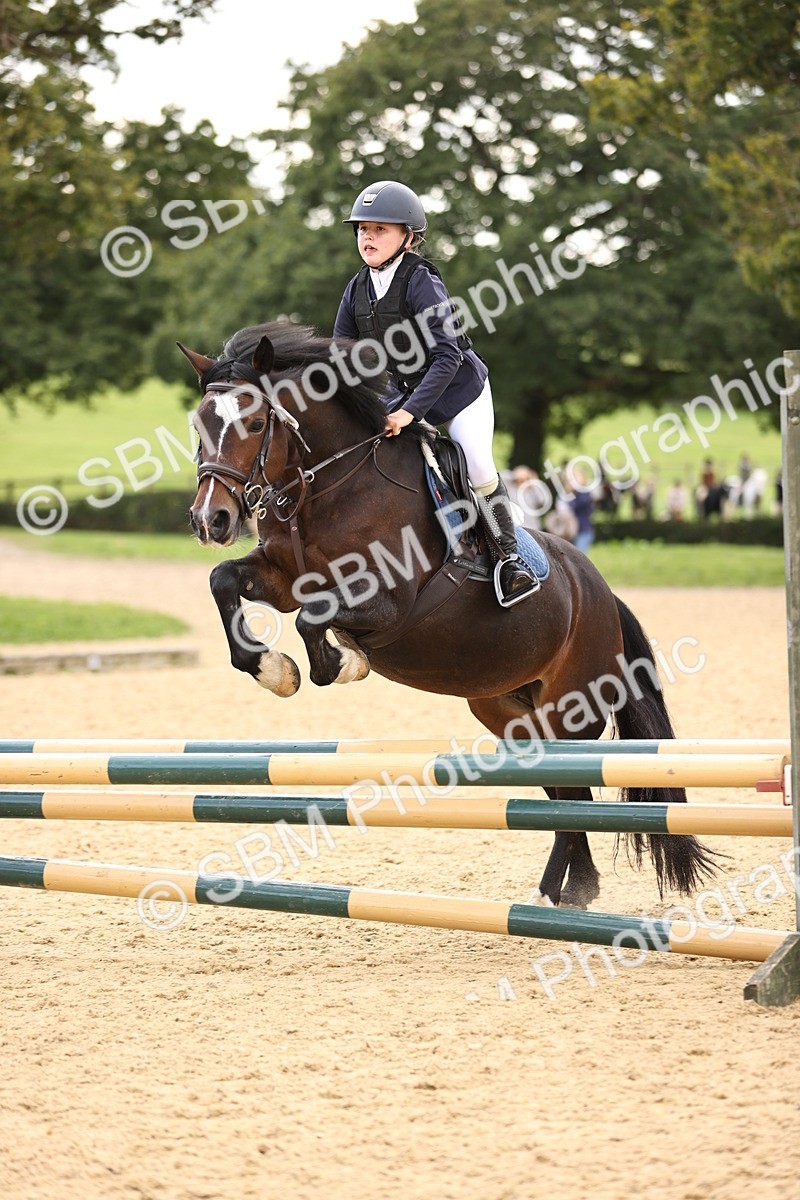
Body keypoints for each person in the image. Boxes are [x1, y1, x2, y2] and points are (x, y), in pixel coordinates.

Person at [333, 179, 538, 606]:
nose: (367, 238)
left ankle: (511, 560)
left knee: (477, 463)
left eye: (379, 229)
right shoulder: (356, 289)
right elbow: (342, 358)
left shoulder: (420, 281)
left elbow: (447, 357)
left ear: (408, 237)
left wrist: (408, 413)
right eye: (362, 230)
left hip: (459, 389)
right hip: (401, 394)